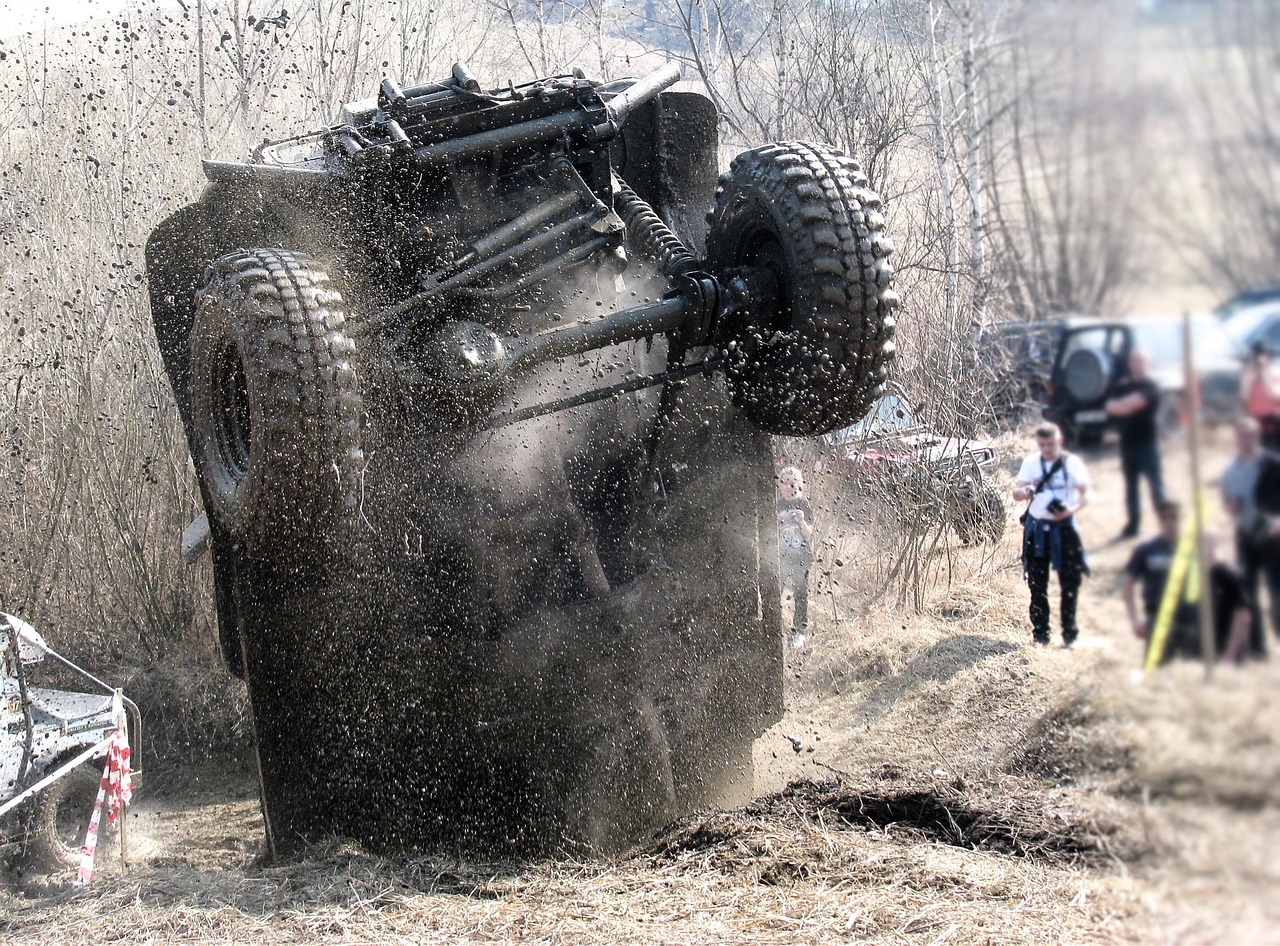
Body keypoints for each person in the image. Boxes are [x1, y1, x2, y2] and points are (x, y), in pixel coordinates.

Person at [1123, 502, 1253, 665]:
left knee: (1192, 668)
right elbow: (1128, 585)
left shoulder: (1194, 548)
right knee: (1157, 670)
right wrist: (1134, 620)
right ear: (1158, 519)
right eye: (1164, 517)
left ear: (1181, 518)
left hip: (1190, 619)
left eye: (1174, 516)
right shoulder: (1146, 549)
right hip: (1158, 616)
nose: (1169, 521)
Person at [1013, 423, 1091, 647]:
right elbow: (1016, 492)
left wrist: (1069, 510)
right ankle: (1041, 634)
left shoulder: (1072, 463)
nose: (1046, 449)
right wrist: (1026, 491)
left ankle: (1070, 634)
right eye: (1042, 445)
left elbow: (1085, 495)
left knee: (1070, 583)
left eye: (1051, 444)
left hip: (1064, 528)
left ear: (1060, 441)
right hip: (1037, 530)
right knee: (1037, 584)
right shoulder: (1031, 463)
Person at [1220, 416, 1270, 655]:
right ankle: (1257, 646)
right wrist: (1231, 508)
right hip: (1244, 536)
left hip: (1271, 538)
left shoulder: (1271, 464)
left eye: (1251, 435)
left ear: (1258, 436)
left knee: (1277, 591)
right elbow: (1226, 502)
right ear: (1235, 438)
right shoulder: (1230, 470)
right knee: (1248, 593)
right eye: (1242, 435)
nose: (1246, 439)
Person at [1104, 350, 1165, 540]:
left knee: (1156, 487)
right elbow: (1110, 407)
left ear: (1147, 364)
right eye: (1134, 361)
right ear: (1130, 364)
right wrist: (1124, 405)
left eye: (1141, 361)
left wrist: (1122, 405)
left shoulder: (1151, 386)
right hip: (1127, 444)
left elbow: (1131, 405)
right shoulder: (1122, 385)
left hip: (1148, 444)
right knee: (1131, 487)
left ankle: (1167, 526)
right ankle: (1133, 525)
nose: (1137, 365)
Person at [777, 466, 815, 650]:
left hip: (801, 556)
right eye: (785, 482)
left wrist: (801, 521)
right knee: (775, 591)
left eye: (793, 483)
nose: (788, 486)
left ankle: (800, 631)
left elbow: (809, 534)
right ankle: (774, 627)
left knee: (800, 593)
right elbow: (768, 532)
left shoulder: (804, 504)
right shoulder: (777, 505)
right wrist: (777, 521)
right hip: (781, 556)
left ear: (799, 485)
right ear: (780, 485)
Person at [1241, 341, 1280, 450]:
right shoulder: (1249, 375)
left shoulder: (1276, 373)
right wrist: (1251, 375)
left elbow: (1275, 394)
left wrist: (1265, 374)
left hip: (1275, 421)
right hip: (1256, 422)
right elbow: (1244, 397)